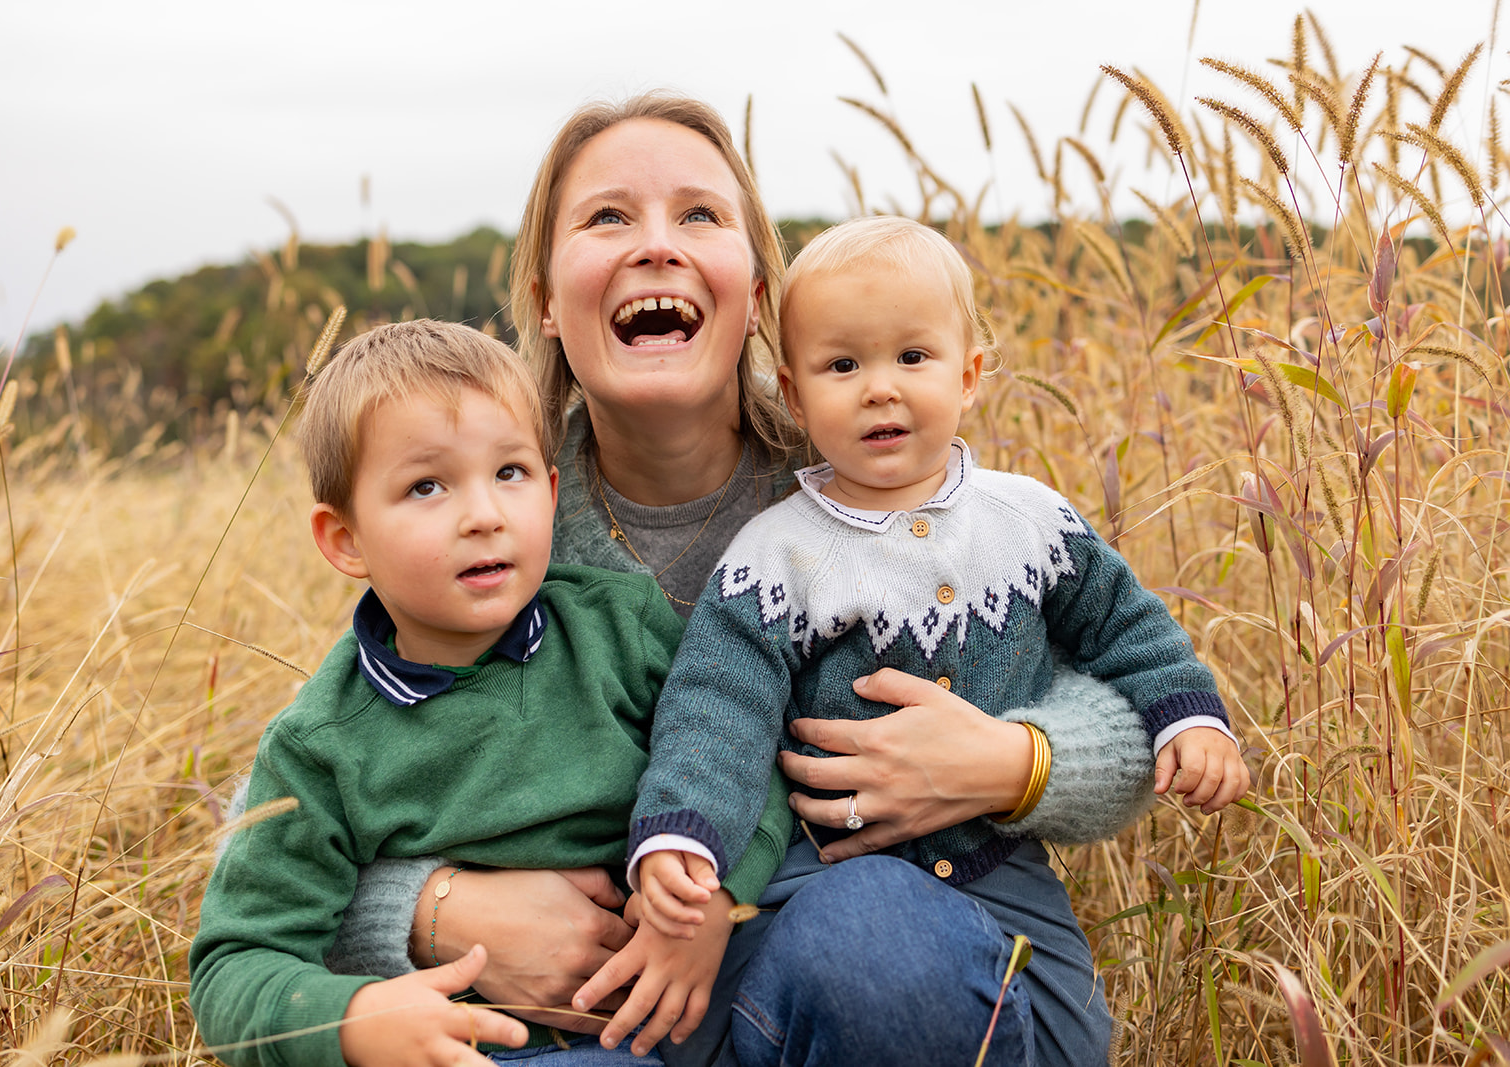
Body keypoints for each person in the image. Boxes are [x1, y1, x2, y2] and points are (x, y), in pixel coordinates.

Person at [322, 94, 1211, 1067]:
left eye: (699, 214)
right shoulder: (488, 523)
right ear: (543, 296)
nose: (656, 245)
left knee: (871, 940)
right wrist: (435, 908)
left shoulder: (878, 480)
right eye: (608, 216)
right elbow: (288, 826)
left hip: (908, 981)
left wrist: (1014, 760)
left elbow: (1129, 683)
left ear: (755, 295)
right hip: (613, 1017)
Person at [611, 217, 1252, 1063]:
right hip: (825, 871)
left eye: (912, 358)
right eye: (843, 365)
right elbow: (716, 708)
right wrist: (683, 836)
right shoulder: (777, 555)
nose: (881, 389)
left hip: (998, 859)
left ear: (971, 372)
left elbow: (1125, 624)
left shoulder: (1031, 521)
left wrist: (1190, 717)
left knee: (1072, 1035)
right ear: (795, 395)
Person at [187, 320, 793, 1067]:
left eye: (509, 472)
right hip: (509, 1048)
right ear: (344, 539)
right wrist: (356, 1016)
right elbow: (234, 963)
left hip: (690, 989)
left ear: (550, 490)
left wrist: (720, 896)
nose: (483, 514)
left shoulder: (620, 626)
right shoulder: (322, 746)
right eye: (426, 486)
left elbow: (742, 755)